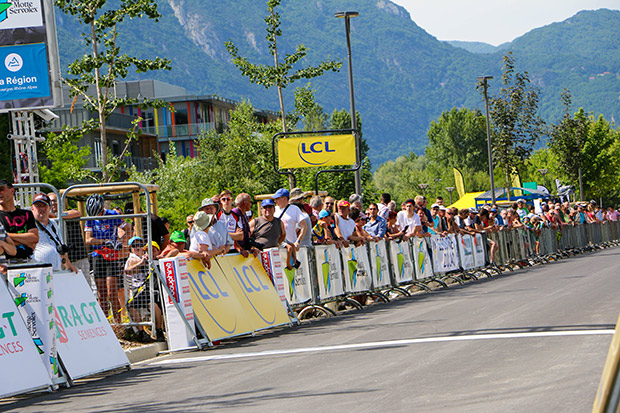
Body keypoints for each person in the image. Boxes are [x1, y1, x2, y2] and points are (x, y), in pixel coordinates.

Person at [84, 194, 128, 323]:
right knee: (101, 294)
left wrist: (121, 241)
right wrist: (104, 241)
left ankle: (118, 322)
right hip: (98, 256)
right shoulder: (90, 219)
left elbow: (128, 228)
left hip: (111, 256)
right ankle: (105, 323)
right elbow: (88, 239)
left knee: (111, 292)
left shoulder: (112, 214)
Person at [124, 236, 164, 342]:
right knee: (131, 305)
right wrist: (140, 263)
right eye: (134, 245)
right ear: (130, 248)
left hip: (150, 288)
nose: (138, 247)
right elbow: (128, 270)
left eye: (140, 245)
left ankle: (159, 331)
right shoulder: (133, 259)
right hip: (138, 289)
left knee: (153, 304)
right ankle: (142, 332)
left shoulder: (146, 256)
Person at [31, 193, 78, 273]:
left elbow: (59, 247)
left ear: (49, 208)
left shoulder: (53, 224)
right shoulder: (29, 225)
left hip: (55, 272)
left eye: (44, 206)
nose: (42, 209)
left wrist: (69, 266)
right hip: (38, 273)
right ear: (32, 209)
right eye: (38, 206)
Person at [0, 179, 39, 260]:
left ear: (12, 191)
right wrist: (25, 240)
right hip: (5, 262)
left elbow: (34, 238)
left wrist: (5, 236)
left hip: (27, 260)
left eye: (2, 189)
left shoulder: (26, 214)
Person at [273, 188, 308, 268]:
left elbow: (304, 226)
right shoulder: (274, 210)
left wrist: (298, 241)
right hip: (278, 247)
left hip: (292, 248)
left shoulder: (294, 209)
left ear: (284, 198)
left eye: (277, 198)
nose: (275, 201)